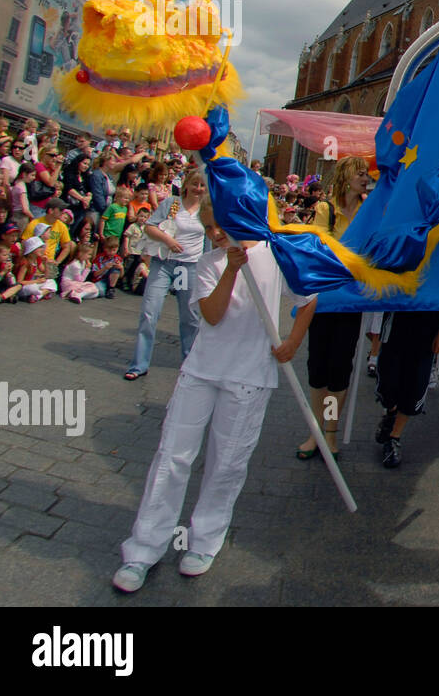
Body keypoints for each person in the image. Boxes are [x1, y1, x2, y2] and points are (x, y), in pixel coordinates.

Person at [112, 199, 315, 593]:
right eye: (208, 228)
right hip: (201, 372)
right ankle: (143, 549)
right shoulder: (208, 264)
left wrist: (293, 341)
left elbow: (308, 299)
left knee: (227, 463)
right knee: (172, 456)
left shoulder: (276, 255)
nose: (215, 234)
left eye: (220, 225)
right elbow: (213, 314)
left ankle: (204, 541)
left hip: (249, 377)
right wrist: (231, 270)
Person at [295, 156, 369, 460]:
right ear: (347, 176)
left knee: (340, 366)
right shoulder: (326, 210)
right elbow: (319, 247)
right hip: (324, 299)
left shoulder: (368, 209)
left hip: (352, 299)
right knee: (318, 366)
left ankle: (330, 431)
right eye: (361, 174)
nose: (366, 178)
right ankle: (315, 430)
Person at [125, 169, 208, 380]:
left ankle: (189, 363)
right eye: (195, 184)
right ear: (186, 184)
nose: (198, 189)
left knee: (189, 316)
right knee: (149, 311)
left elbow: (210, 240)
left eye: (202, 186)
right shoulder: (172, 204)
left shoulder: (207, 209)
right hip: (164, 264)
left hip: (186, 267)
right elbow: (150, 227)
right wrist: (168, 240)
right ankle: (139, 364)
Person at [373, 311, 439, 468]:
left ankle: (394, 438)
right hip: (397, 318)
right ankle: (391, 413)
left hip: (428, 325)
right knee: (388, 383)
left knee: (414, 386)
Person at [90, 235, 124, 299]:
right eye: (109, 250)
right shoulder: (99, 258)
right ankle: (105, 289)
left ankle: (111, 289)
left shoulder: (118, 259)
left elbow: (120, 276)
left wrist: (121, 268)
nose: (111, 253)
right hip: (100, 279)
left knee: (116, 268)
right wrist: (105, 268)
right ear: (105, 248)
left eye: (114, 250)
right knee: (100, 292)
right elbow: (94, 274)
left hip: (111, 279)